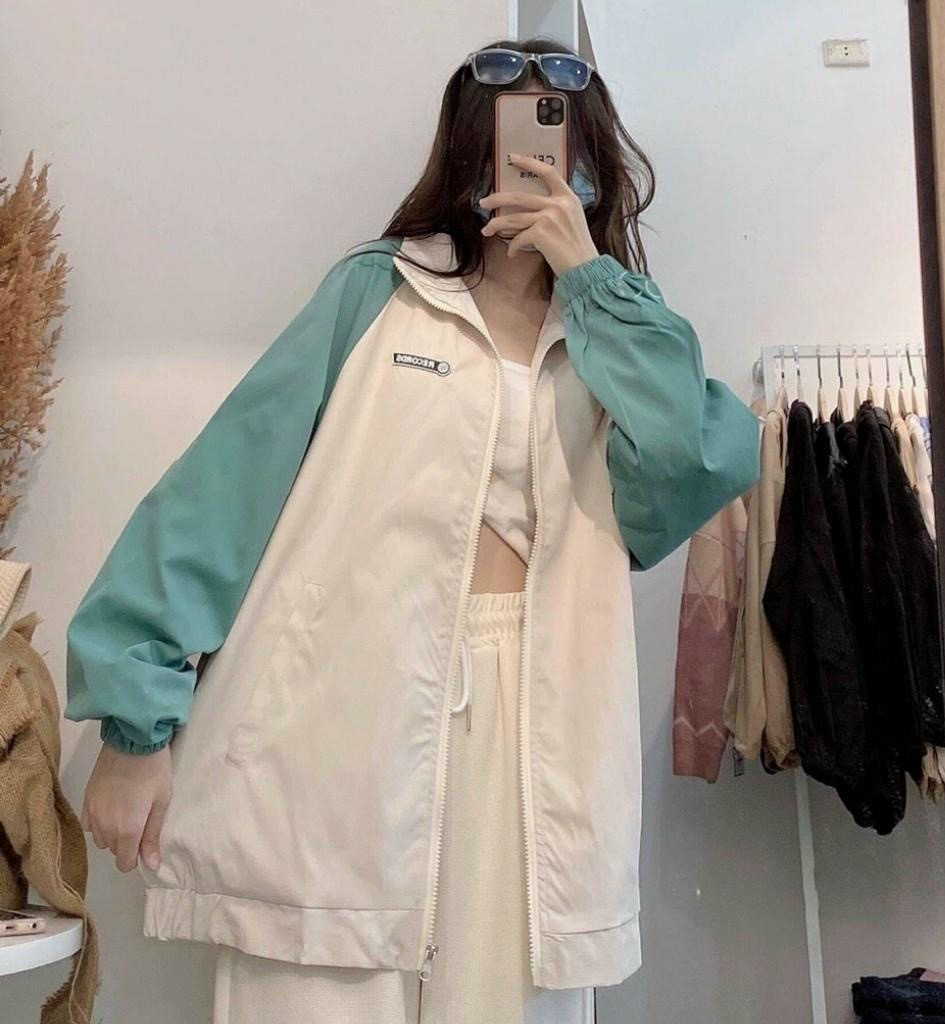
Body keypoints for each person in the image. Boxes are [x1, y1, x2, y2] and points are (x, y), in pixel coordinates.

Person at [64, 37, 759, 1023]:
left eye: (555, 138)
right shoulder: (377, 292)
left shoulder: (620, 335)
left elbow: (689, 466)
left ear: (590, 160)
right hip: (341, 706)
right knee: (315, 990)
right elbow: (225, 489)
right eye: (507, 137)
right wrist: (136, 722)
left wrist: (591, 278)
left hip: (538, 718)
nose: (530, 160)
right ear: (469, 151)